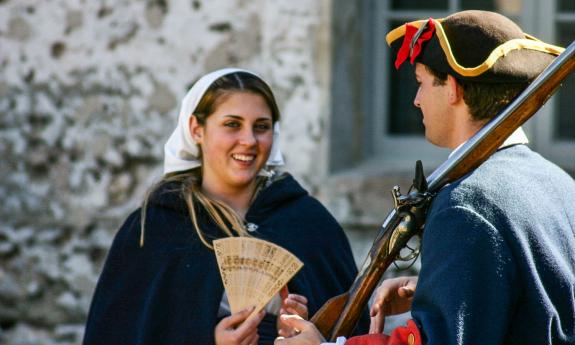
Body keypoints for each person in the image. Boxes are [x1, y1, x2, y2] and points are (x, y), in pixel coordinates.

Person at [274, 10, 575, 345]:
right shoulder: (559, 182)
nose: (415, 100)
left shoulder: (466, 203)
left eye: (421, 82)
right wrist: (434, 289)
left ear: (454, 89)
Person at [83, 68, 366, 345]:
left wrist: (306, 328)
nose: (249, 140)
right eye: (232, 124)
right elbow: (119, 333)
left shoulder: (308, 222)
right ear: (197, 129)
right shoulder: (156, 226)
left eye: (261, 127)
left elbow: (353, 330)